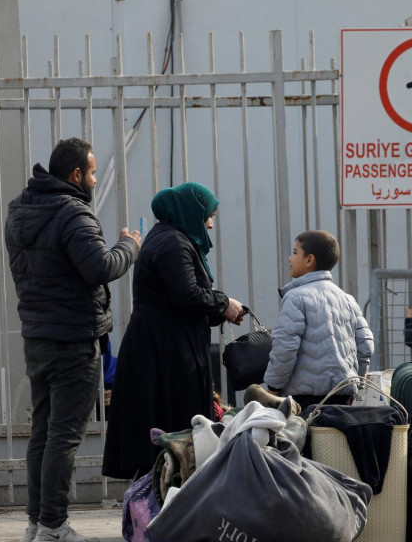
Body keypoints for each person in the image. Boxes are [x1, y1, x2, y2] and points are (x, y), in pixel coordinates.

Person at [5, 137, 140, 542]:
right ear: (77, 174)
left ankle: (36, 523)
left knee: (43, 433)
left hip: (37, 335)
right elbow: (99, 267)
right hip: (73, 338)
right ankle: (53, 526)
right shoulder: (73, 213)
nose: (96, 180)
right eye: (93, 172)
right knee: (63, 435)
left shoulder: (21, 208)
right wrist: (129, 246)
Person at [102, 182, 244, 480]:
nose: (210, 223)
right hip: (165, 356)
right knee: (174, 434)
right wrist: (223, 303)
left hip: (165, 348)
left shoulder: (169, 239)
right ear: (190, 210)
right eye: (208, 214)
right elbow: (187, 295)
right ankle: (166, 507)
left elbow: (178, 301)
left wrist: (219, 309)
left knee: (168, 434)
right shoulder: (173, 244)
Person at [262, 230, 374, 410]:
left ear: (309, 260)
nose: (290, 259)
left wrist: (273, 388)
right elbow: (365, 347)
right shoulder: (347, 299)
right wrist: (356, 387)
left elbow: (285, 348)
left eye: (295, 252)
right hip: (343, 395)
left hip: (302, 399)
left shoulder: (296, 298)